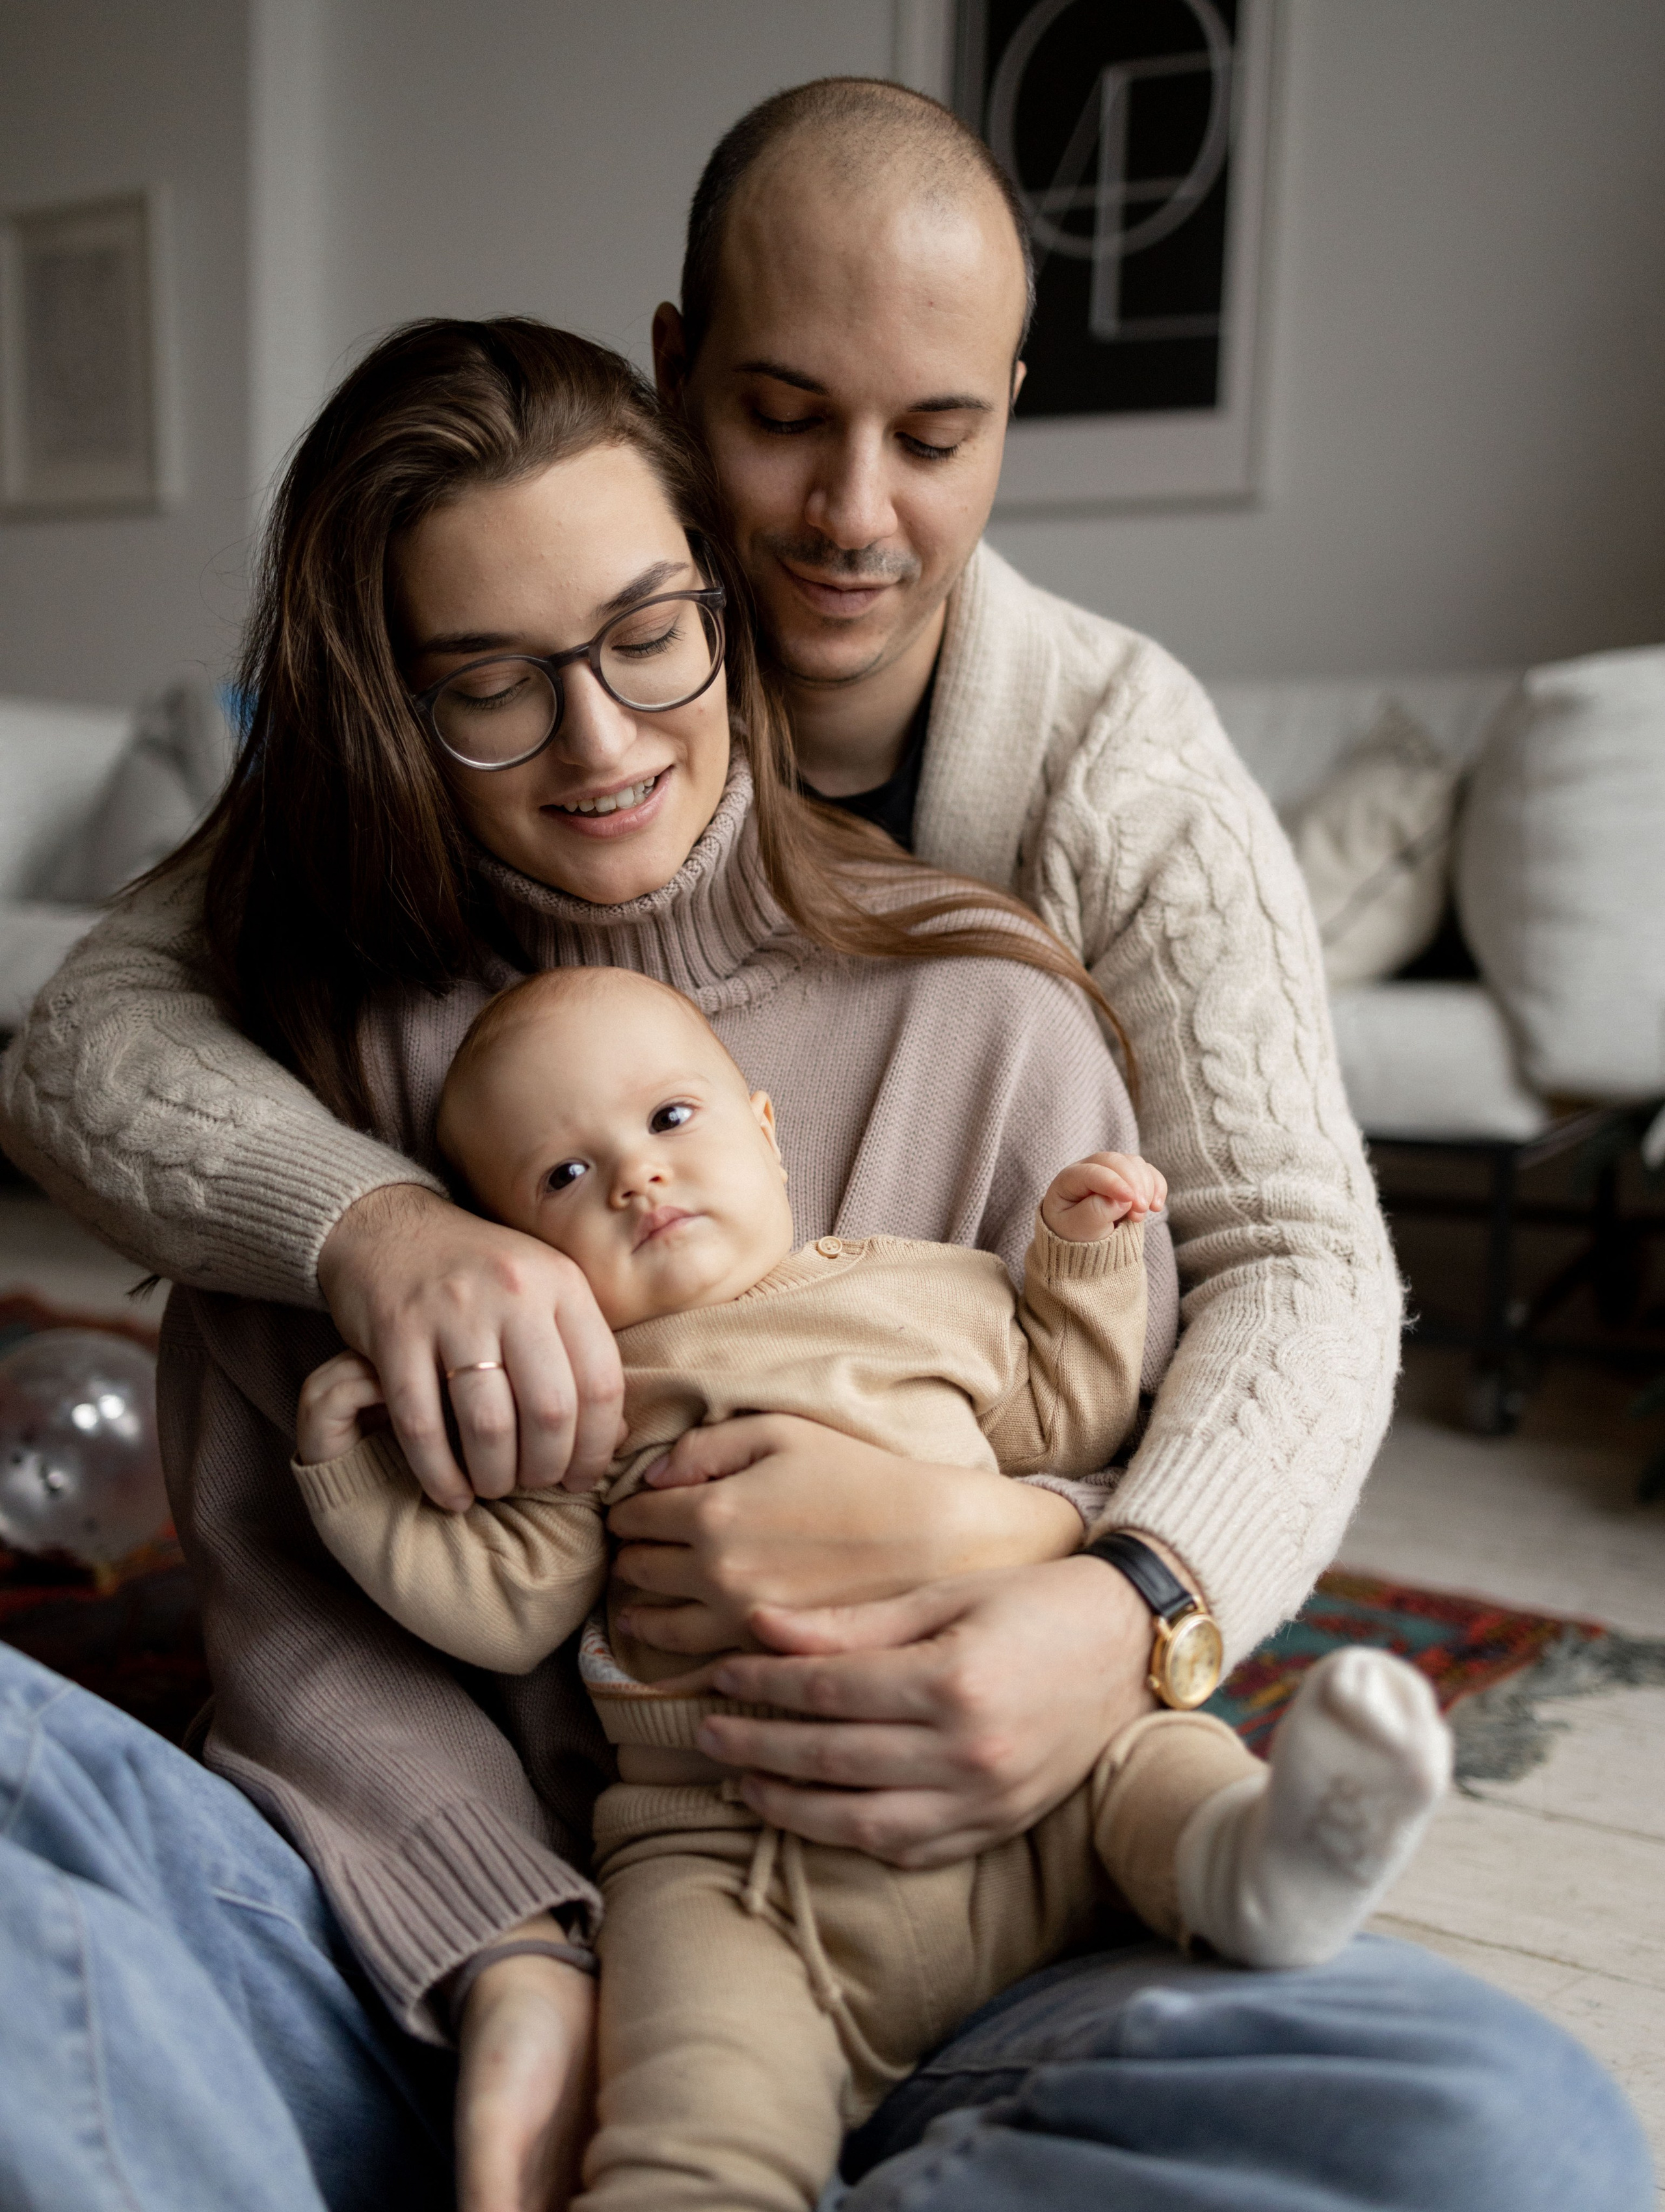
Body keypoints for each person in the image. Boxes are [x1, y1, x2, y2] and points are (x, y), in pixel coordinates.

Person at [0, 101, 1651, 2212]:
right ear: (684, 387)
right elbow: (98, 1067)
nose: (852, 516)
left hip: (992, 1899)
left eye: (933, 434)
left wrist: (1087, 1579)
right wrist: (516, 1958)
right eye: (784, 419)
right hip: (486, 1950)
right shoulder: (308, 1036)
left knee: (1516, 2136)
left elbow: (1274, 1282)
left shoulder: (1018, 959)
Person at [291, 961, 1454, 2212]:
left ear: (766, 1130)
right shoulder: (592, 1394)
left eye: (671, 1118)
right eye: (564, 1175)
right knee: (693, 2098)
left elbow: (1069, 1414)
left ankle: (1256, 1866)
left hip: (1034, 1777)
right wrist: (353, 1474)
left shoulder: (920, 1287)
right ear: (523, 1252)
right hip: (734, 1856)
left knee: (1155, 1758)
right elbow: (508, 1606)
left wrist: (1081, 1258)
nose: (637, 1176)